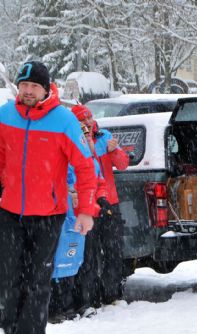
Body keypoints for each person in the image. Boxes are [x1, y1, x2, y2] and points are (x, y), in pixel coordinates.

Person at [0, 60, 97, 334]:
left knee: (37, 281)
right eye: (24, 85)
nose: (28, 91)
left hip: (48, 215)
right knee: (6, 278)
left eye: (34, 86)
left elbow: (85, 167)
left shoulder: (64, 120)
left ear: (46, 90)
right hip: (10, 212)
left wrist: (86, 210)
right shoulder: (6, 115)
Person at [71, 104, 129, 306]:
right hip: (86, 206)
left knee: (113, 250)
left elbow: (123, 164)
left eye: (89, 117)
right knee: (89, 254)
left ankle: (112, 293)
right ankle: (91, 297)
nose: (87, 122)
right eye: (82, 119)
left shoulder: (104, 136)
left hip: (109, 202)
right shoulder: (74, 140)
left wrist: (113, 152)